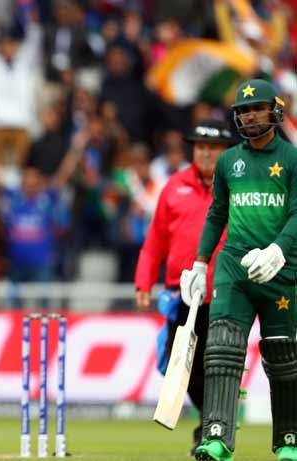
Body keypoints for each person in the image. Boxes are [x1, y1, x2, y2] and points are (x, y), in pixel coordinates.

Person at [181, 79, 297, 461]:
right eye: (243, 110)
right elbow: (217, 214)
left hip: (281, 271)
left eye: (256, 109)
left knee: (284, 358)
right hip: (234, 268)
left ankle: (288, 442)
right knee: (221, 351)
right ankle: (217, 437)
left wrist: (279, 250)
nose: (249, 116)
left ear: (275, 111)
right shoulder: (230, 160)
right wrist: (200, 264)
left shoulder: (292, 158)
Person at [134, 119, 235, 456]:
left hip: (225, 292)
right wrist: (143, 281)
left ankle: (212, 429)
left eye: (213, 147)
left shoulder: (237, 186)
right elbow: (154, 241)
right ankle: (212, 424)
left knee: (218, 365)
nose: (206, 153)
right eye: (201, 146)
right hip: (183, 293)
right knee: (182, 367)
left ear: (225, 151)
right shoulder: (174, 186)